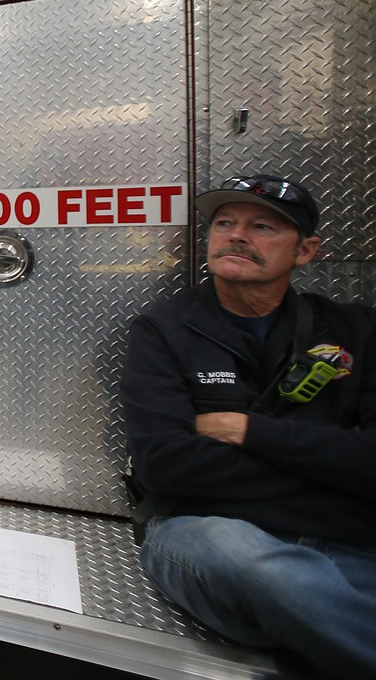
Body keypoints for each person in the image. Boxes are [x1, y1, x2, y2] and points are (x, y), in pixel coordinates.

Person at [120, 173, 376, 679]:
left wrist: (249, 431)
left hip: (345, 540)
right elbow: (167, 464)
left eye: (263, 226)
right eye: (224, 223)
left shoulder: (358, 330)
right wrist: (332, 467)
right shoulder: (163, 331)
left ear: (306, 250)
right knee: (250, 564)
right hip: (204, 530)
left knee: (296, 597)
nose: (237, 235)